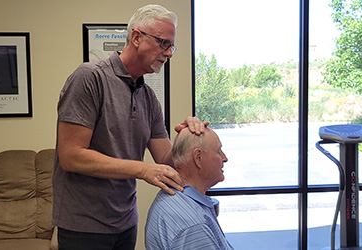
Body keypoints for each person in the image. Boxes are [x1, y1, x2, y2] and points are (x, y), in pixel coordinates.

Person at [53, 4, 208, 250]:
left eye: (172, 46)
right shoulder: (90, 78)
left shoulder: (148, 97)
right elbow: (71, 156)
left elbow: (166, 161)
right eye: (164, 43)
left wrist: (186, 135)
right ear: (137, 37)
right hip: (84, 227)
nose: (169, 53)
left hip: (126, 223)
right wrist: (143, 169)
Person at [145, 128, 234, 250]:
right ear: (198, 158)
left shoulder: (174, 197)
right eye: (219, 151)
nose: (225, 158)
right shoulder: (193, 225)